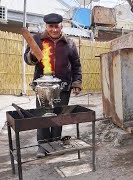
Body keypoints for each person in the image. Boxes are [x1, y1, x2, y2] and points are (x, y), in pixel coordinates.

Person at [24, 13, 82, 158]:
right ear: (46, 26)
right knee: (43, 116)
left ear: (61, 26)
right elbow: (27, 60)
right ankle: (42, 146)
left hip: (63, 86)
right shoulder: (37, 39)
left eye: (57, 26)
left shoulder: (69, 43)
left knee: (59, 116)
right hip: (43, 87)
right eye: (51, 26)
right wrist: (32, 55)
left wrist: (76, 82)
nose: (54, 30)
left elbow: (76, 64)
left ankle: (55, 144)